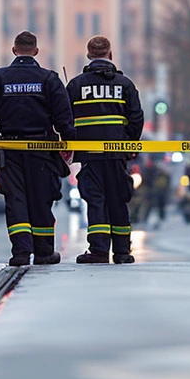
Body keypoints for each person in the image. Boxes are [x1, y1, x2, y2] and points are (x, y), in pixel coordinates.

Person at [0, 31, 75, 267]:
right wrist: (70, 143)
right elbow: (64, 117)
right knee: (41, 199)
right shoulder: (49, 79)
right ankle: (44, 252)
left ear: (14, 50)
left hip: (9, 151)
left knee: (16, 200)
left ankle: (21, 252)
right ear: (36, 51)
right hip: (42, 150)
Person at [66, 35, 144, 264]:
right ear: (111, 55)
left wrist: (70, 145)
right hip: (118, 154)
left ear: (89, 56)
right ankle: (122, 251)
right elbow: (136, 117)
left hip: (90, 156)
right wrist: (129, 144)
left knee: (96, 199)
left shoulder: (76, 85)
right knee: (118, 199)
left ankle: (98, 250)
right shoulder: (125, 84)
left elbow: (65, 119)